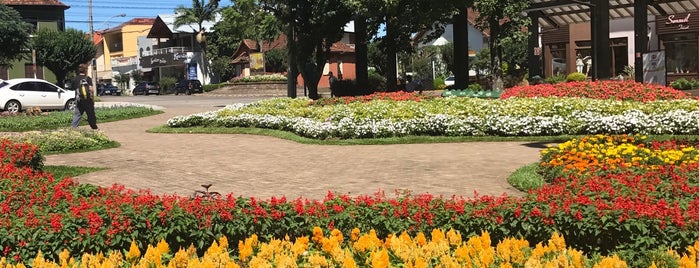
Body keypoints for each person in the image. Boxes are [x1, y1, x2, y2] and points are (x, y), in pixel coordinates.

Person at [71, 63, 99, 130]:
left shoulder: (75, 79)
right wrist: (93, 99)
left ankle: (73, 127)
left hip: (79, 100)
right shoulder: (87, 78)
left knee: (77, 114)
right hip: (88, 100)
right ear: (85, 70)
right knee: (90, 114)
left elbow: (73, 88)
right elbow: (91, 89)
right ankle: (94, 127)